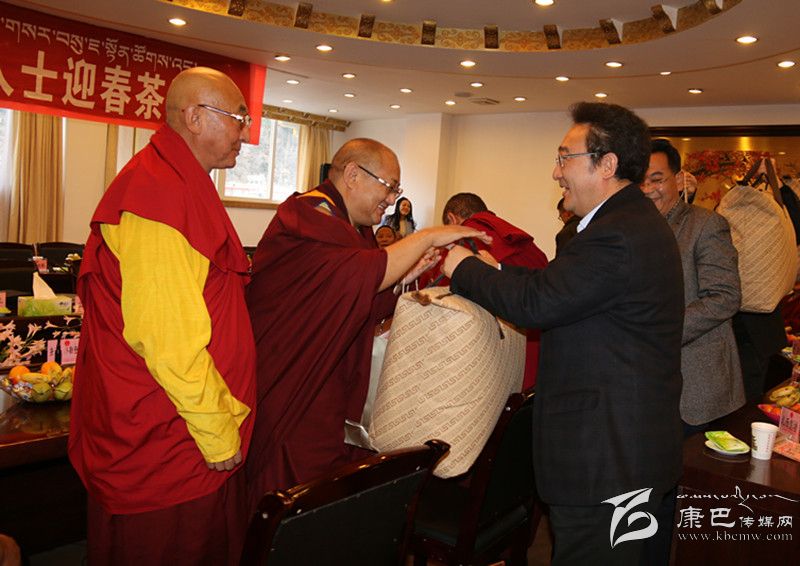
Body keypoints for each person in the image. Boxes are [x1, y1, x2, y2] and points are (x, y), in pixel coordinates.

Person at [443, 102, 684, 566]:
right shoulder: (623, 223)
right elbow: (560, 287)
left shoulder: (617, 233)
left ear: (607, 164)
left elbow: (539, 303)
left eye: (564, 158)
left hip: (608, 462)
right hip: (623, 453)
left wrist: (465, 268)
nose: (556, 172)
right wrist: (498, 271)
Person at [69, 67, 256, 566]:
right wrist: (217, 432)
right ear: (194, 117)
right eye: (238, 118)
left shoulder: (176, 181)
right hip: (169, 439)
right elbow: (167, 340)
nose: (245, 133)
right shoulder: (157, 196)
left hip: (178, 431)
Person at [244, 138, 488, 513]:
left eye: (396, 190)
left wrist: (405, 276)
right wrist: (427, 236)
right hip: (291, 378)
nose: (391, 199)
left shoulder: (353, 228)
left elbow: (355, 296)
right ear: (353, 174)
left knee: (319, 497)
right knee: (286, 497)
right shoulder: (309, 215)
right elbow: (359, 275)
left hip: (327, 380)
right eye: (389, 187)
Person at [642, 138, 745, 437]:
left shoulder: (706, 224)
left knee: (688, 464)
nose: (647, 189)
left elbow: (724, 297)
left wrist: (661, 331)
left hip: (695, 384)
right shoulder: (633, 229)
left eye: (656, 179)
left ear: (678, 179)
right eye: (640, 181)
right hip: (645, 381)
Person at [436, 192, 548, 390]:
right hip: (540, 348)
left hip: (494, 359)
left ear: (452, 219)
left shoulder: (466, 240)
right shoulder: (522, 239)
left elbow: (444, 300)